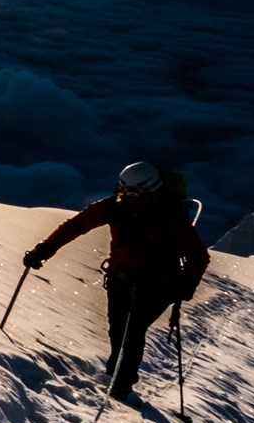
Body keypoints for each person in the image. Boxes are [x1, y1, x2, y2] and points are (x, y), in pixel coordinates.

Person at [22, 162, 209, 401]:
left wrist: (186, 284)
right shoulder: (114, 207)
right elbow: (78, 225)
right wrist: (45, 249)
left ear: (152, 192)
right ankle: (115, 375)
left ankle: (121, 383)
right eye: (126, 193)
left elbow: (198, 256)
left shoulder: (169, 215)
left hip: (158, 284)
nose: (131, 199)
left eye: (136, 194)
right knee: (118, 329)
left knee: (132, 331)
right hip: (121, 278)